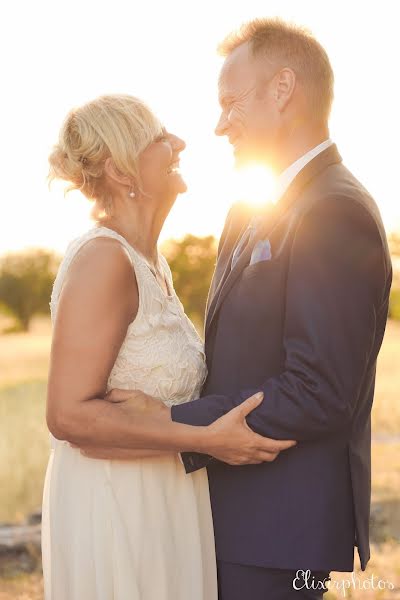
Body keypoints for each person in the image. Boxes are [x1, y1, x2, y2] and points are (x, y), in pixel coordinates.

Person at [165, 18, 392, 599]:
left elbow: (320, 388)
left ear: (283, 88)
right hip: (235, 518)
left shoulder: (335, 210)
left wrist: (165, 427)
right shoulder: (253, 207)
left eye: (231, 102)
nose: (219, 125)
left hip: (279, 537)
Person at [42, 94, 296, 600]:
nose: (178, 143)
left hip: (167, 490)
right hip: (121, 504)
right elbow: (68, 416)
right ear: (120, 170)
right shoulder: (103, 261)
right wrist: (208, 439)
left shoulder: (151, 261)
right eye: (160, 138)